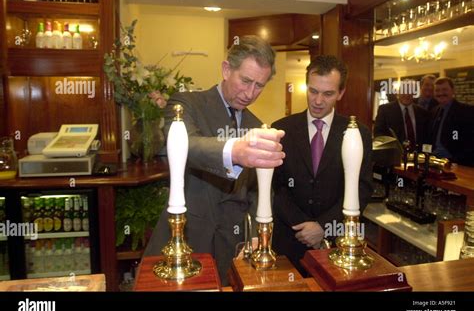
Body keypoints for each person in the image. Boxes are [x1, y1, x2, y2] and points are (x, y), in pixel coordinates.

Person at [144, 35, 285, 285]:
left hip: (233, 246)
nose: (250, 93)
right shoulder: (186, 104)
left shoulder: (255, 124)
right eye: (246, 81)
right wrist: (236, 151)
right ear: (226, 69)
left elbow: (258, 190)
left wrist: (254, 236)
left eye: (259, 86)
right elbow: (188, 146)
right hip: (187, 238)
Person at [271, 55, 373, 274]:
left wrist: (323, 227)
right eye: (313, 91)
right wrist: (303, 226)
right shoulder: (281, 129)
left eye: (328, 94)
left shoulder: (357, 133)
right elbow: (276, 188)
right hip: (289, 239)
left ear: (341, 93)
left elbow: (362, 188)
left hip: (336, 241)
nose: (318, 101)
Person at [373, 79, 430, 150]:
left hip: (419, 156)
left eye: (409, 91)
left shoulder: (422, 112)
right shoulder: (385, 110)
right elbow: (379, 134)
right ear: (398, 92)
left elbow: (427, 137)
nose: (407, 94)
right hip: (394, 155)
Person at [430, 77, 474, 166]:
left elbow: (469, 142)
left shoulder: (467, 111)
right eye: (437, 90)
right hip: (434, 161)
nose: (441, 93)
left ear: (453, 91)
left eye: (444, 89)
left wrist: (456, 160)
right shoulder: (433, 111)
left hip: (455, 162)